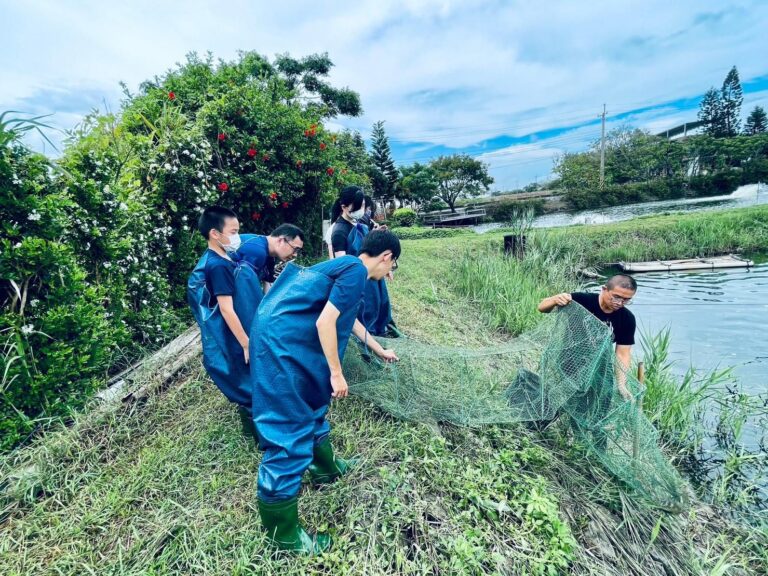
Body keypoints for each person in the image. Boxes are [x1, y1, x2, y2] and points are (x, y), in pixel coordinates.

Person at [251, 230, 401, 554]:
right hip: (281, 343)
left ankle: (325, 468)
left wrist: (379, 350)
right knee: (289, 426)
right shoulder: (356, 270)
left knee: (311, 401)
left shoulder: (349, 268)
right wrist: (336, 373)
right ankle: (284, 538)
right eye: (392, 267)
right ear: (386, 256)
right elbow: (325, 323)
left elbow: (350, 319)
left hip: (282, 334)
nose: (389, 274)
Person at [187, 208, 305, 438]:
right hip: (225, 319)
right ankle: (259, 427)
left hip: (232, 315)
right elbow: (227, 308)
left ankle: (255, 423)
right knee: (241, 365)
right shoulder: (221, 265)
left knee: (247, 368)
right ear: (215, 234)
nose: (238, 238)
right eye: (234, 232)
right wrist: (245, 343)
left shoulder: (226, 258)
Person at [537, 274, 637, 401]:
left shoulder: (627, 319)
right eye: (616, 297)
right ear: (604, 289)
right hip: (570, 361)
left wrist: (621, 384)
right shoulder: (582, 300)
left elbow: (622, 354)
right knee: (568, 400)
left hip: (599, 366)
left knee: (600, 401)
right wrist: (555, 299)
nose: (619, 303)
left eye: (626, 300)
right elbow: (542, 308)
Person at [329, 186, 397, 337]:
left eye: (363, 205)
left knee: (381, 303)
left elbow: (373, 247)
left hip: (374, 274)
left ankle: (382, 331)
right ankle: (368, 338)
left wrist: (386, 267)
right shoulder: (339, 232)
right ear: (344, 207)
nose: (362, 210)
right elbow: (343, 265)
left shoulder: (361, 222)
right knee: (366, 311)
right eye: (358, 206)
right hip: (359, 280)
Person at [235, 223, 306, 293]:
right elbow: (244, 290)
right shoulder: (257, 251)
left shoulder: (270, 255)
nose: (295, 255)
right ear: (281, 241)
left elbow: (268, 288)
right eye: (295, 249)